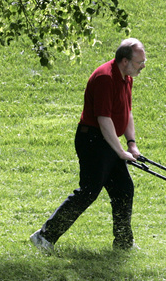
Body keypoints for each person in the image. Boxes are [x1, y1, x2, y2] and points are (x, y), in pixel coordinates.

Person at [30, 38, 146, 252]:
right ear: (124, 61)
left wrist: (131, 144)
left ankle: (123, 243)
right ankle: (44, 236)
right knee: (89, 191)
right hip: (92, 140)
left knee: (124, 190)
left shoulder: (126, 78)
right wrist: (119, 151)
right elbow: (104, 119)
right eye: (139, 62)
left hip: (108, 139)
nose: (143, 66)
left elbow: (126, 112)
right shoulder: (105, 78)